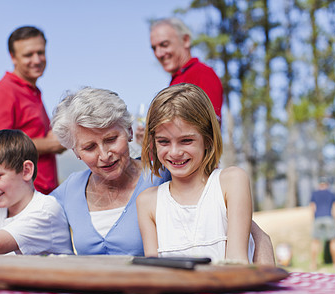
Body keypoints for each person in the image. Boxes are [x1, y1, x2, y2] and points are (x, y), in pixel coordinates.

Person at [50, 86, 274, 265]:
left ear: (129, 131)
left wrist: (262, 256)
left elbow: (224, 220)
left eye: (110, 139)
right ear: (75, 151)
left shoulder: (167, 175)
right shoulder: (70, 191)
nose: (104, 155)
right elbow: (30, 219)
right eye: (89, 147)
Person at [137, 83, 254, 263]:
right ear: (152, 143)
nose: (175, 152)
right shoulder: (148, 202)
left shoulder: (231, 182)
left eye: (186, 140)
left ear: (207, 140)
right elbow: (154, 273)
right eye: (164, 142)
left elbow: (238, 263)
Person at [0, 26, 65, 197]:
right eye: (28, 55)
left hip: (41, 198)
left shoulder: (33, 93)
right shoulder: (3, 93)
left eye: (40, 52)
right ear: (13, 57)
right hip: (18, 202)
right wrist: (51, 145)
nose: (37, 59)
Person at [150, 18, 224, 123]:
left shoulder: (202, 74)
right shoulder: (178, 79)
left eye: (164, 45)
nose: (158, 53)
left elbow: (210, 127)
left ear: (185, 40)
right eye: (154, 48)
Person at [310, 177, 335, 270]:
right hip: (329, 218)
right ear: (327, 184)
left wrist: (313, 219)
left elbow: (312, 208)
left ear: (319, 184)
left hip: (317, 218)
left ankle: (313, 264)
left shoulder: (314, 194)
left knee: (315, 241)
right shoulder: (331, 194)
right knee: (334, 241)